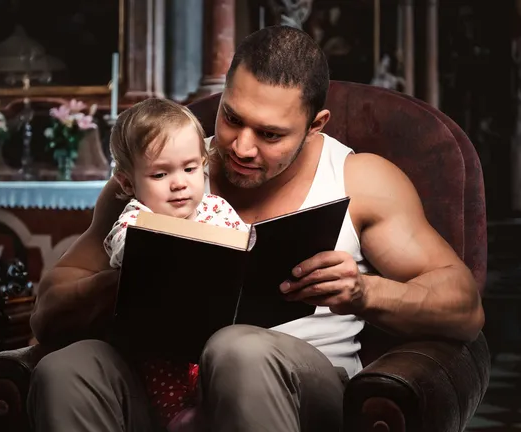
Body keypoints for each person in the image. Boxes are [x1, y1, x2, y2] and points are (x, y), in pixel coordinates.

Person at [27, 25, 485, 432]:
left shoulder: (359, 179)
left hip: (296, 390)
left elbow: (463, 307)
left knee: (237, 349)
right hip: (161, 384)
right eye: (231, 118)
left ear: (314, 125)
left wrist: (364, 292)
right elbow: (47, 312)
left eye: (269, 134)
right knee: (66, 369)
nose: (241, 147)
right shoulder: (161, 177)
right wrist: (123, 281)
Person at [102, 98, 248, 429]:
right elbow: (125, 248)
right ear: (127, 184)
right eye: (160, 173)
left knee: (229, 377)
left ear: (204, 164)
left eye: (190, 168)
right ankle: (178, 418)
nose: (179, 182)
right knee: (163, 377)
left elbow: (243, 248)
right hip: (164, 342)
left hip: (218, 337)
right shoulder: (138, 218)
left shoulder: (217, 208)